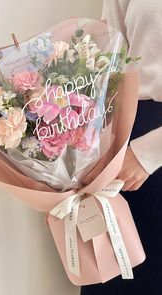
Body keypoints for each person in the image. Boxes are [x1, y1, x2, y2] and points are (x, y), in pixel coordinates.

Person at [81, 0, 162, 294]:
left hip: (144, 154)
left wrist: (150, 152)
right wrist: (81, 160)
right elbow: (107, 61)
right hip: (125, 138)